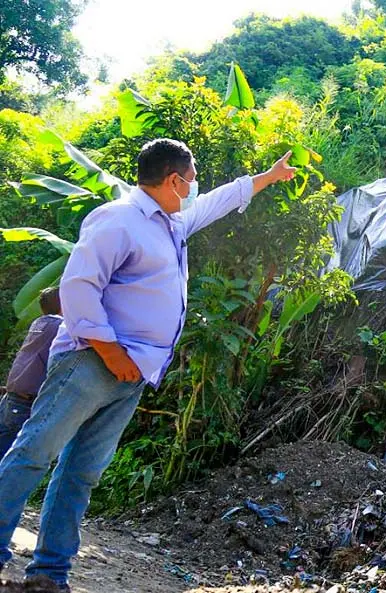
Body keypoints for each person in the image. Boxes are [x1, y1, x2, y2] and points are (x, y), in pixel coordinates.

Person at [0, 139, 296, 590]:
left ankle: (49, 573)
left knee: (80, 473)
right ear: (174, 180)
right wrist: (111, 352)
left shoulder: (172, 224)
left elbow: (221, 200)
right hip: (91, 363)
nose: (197, 187)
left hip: (131, 375)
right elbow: (78, 288)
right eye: (193, 179)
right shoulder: (118, 219)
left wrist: (269, 177)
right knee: (32, 455)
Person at [0, 288, 62, 460]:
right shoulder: (59, 326)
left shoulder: (39, 323)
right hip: (24, 402)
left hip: (12, 398)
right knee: (16, 459)